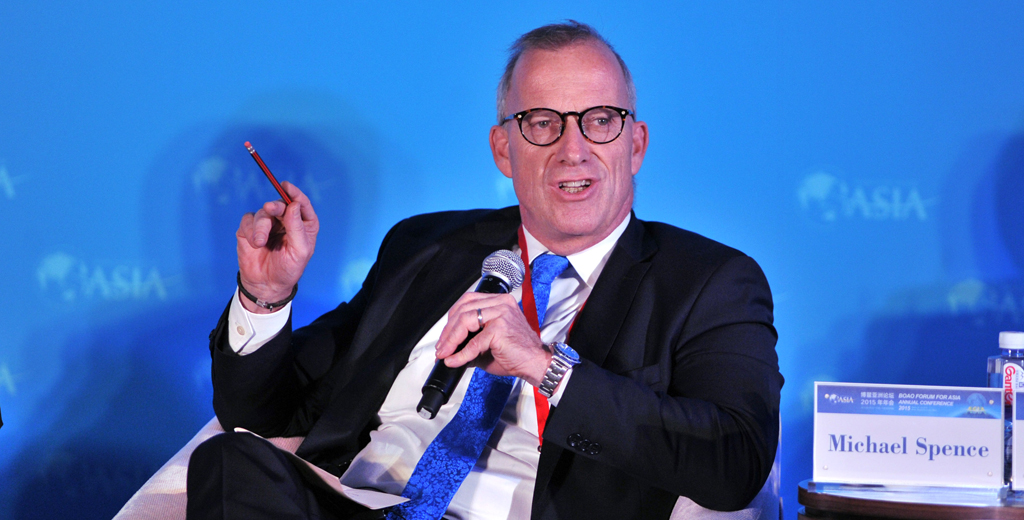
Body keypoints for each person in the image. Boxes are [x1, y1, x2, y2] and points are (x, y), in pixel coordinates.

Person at [186, 21, 782, 520]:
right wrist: (265, 295)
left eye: (600, 120)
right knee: (229, 463)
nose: (573, 149)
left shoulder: (708, 282)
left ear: (636, 144)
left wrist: (546, 368)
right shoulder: (427, 246)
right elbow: (262, 414)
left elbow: (735, 463)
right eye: (543, 122)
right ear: (503, 149)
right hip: (362, 505)